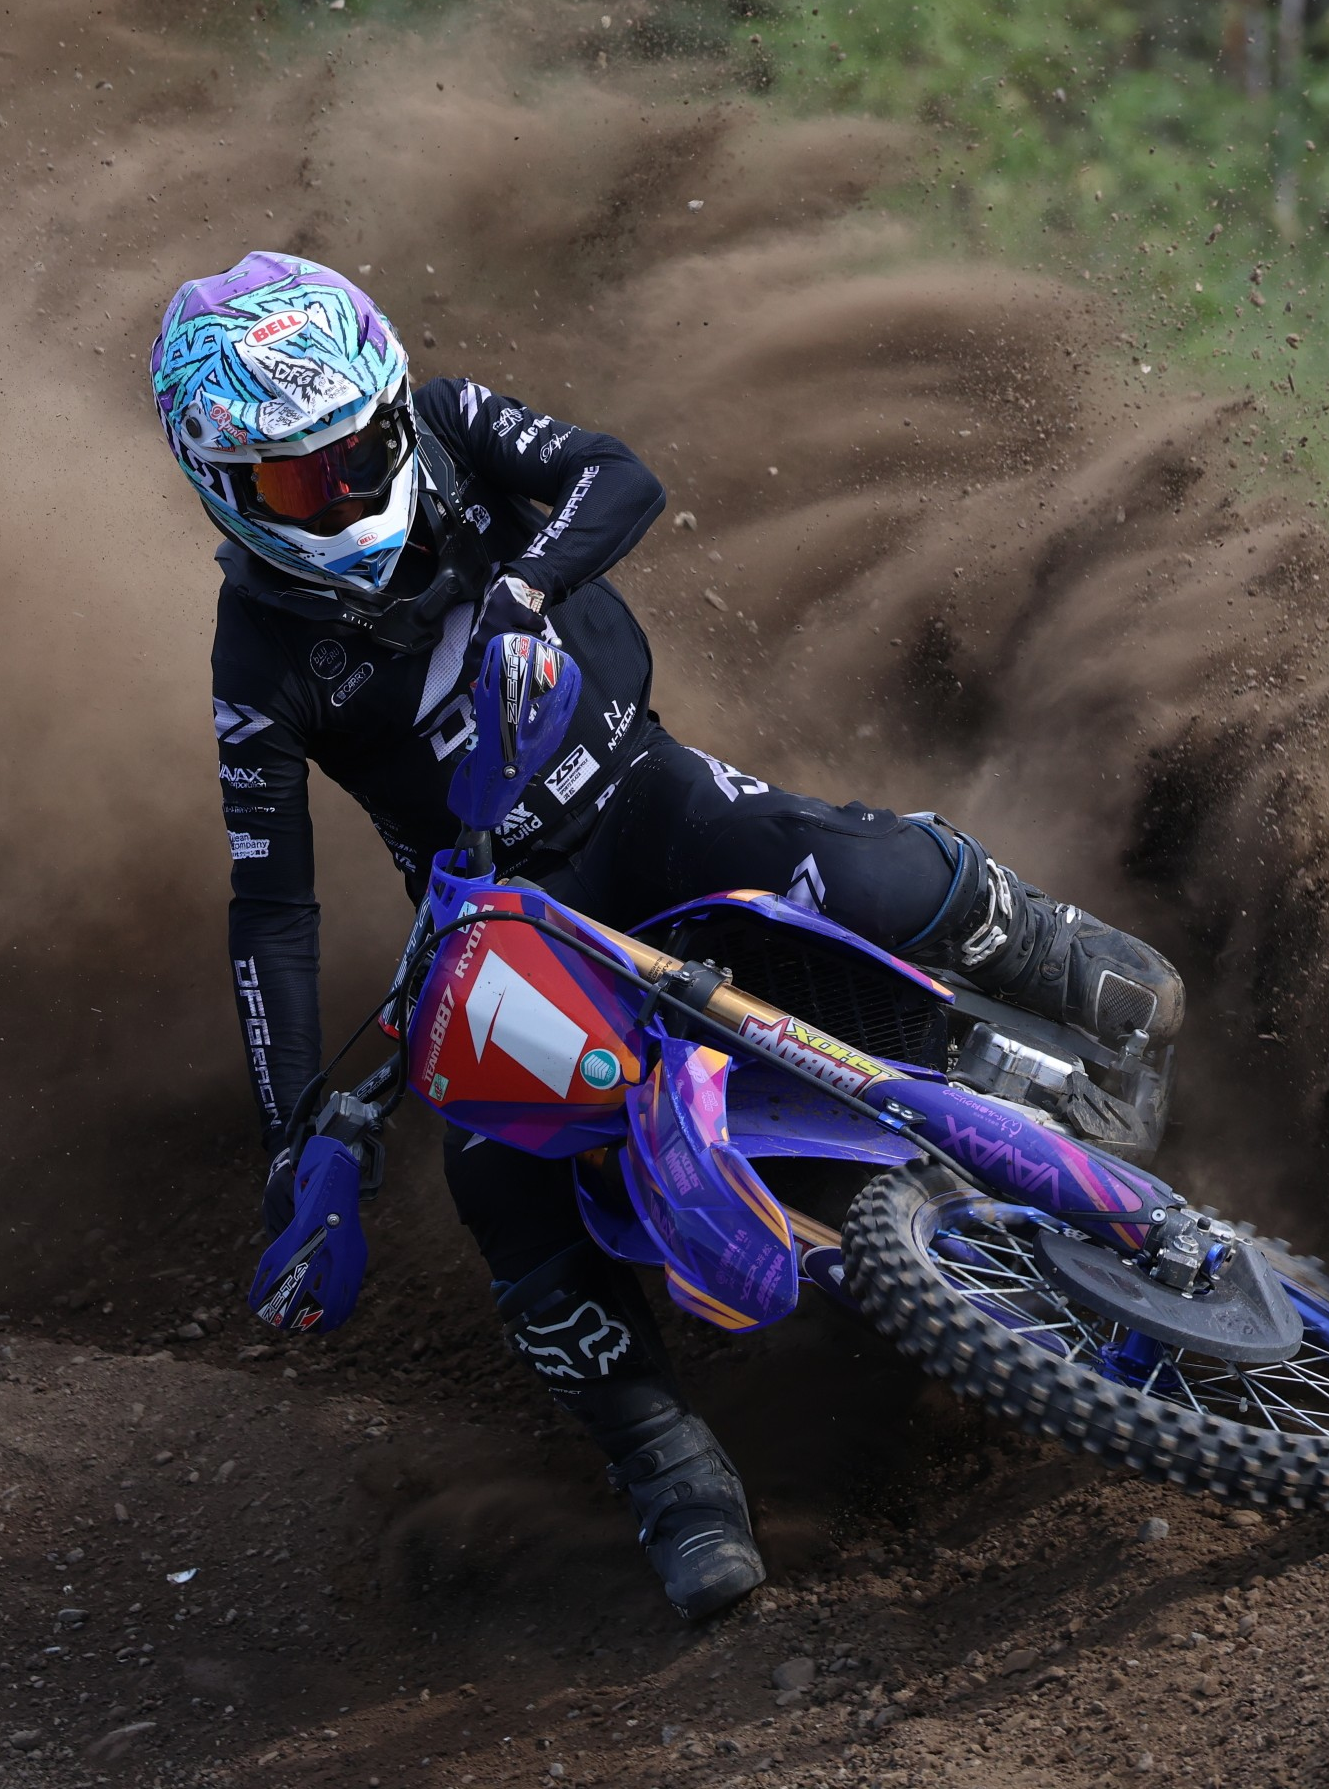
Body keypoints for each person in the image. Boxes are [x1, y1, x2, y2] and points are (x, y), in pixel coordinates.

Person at [152, 252, 1183, 1619]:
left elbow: (616, 476)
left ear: (396, 405)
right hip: (505, 908)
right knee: (498, 1180)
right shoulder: (256, 656)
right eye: (299, 482)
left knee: (843, 870)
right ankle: (668, 1470)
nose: (345, 495)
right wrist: (292, 1137)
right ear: (226, 488)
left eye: (361, 451)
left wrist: (520, 590)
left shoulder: (455, 426)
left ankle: (1043, 952)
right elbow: (272, 900)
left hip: (639, 789)